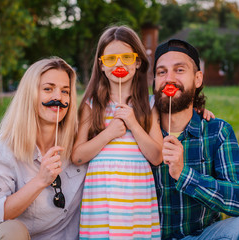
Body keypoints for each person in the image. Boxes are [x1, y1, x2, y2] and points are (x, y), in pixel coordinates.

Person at [151, 39, 239, 240]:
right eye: (161, 72)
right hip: (151, 236)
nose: (169, 79)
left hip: (202, 235)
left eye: (179, 70)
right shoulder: (139, 133)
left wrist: (184, 174)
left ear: (198, 79)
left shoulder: (217, 132)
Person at [0, 57, 87, 240]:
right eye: (48, 89)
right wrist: (40, 181)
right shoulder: (3, 150)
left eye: (65, 91)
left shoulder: (80, 145)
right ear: (30, 94)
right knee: (12, 230)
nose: (57, 97)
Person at [72, 25, 162, 239]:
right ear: (101, 65)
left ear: (138, 62)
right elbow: (77, 156)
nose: (119, 64)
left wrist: (133, 123)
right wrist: (108, 133)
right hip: (101, 193)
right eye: (111, 59)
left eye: (126, 57)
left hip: (135, 193)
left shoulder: (149, 105)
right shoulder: (91, 105)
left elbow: (157, 157)